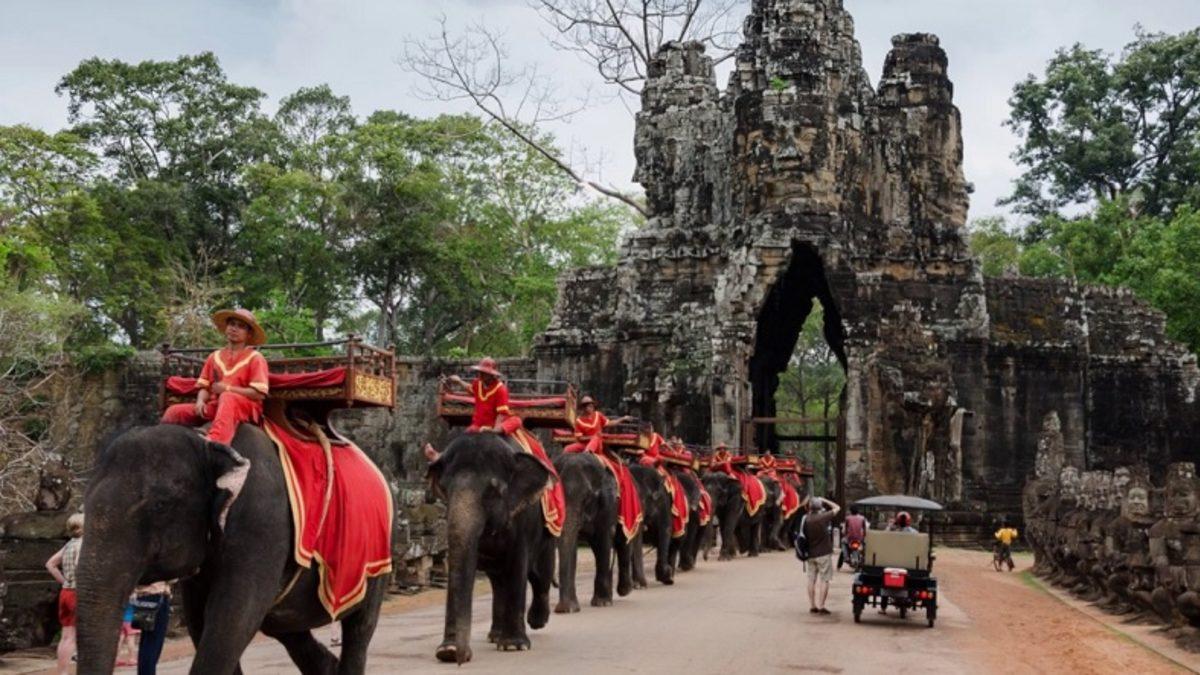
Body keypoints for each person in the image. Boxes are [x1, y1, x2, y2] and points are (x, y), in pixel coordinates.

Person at [160, 309, 266, 514]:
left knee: (228, 398)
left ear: (249, 334)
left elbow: (258, 393)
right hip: (216, 405)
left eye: (240, 326)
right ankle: (163, 448)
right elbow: (204, 386)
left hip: (244, 405)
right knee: (175, 411)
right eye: (232, 324)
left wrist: (228, 389)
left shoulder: (255, 358)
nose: (234, 329)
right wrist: (200, 400)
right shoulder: (214, 357)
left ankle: (213, 449)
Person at [45, 513, 84, 675]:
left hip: (66, 592)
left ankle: (62, 672)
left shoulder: (68, 545)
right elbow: (79, 565)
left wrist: (64, 581)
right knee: (75, 636)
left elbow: (50, 564)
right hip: (78, 593)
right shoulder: (83, 544)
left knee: (66, 636)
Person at [440, 357, 515, 434]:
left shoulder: (501, 389)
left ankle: (497, 430)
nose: (481, 374)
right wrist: (459, 381)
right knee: (467, 433)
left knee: (516, 420)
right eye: (480, 372)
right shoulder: (477, 383)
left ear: (492, 375)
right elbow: (470, 389)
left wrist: (495, 430)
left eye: (484, 373)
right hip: (478, 424)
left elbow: (502, 413)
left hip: (492, 425)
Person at [802, 497, 841, 615]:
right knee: (824, 580)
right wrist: (825, 499)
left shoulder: (806, 519)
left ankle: (812, 605)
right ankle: (821, 606)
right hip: (824, 553)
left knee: (811, 580)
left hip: (810, 554)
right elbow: (837, 507)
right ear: (820, 507)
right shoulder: (823, 517)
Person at [562, 395, 632, 453]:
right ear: (584, 408)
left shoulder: (598, 415)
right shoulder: (579, 421)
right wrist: (591, 437)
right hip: (584, 444)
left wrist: (622, 419)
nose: (592, 407)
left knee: (597, 436)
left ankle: (587, 453)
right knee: (567, 448)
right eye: (589, 406)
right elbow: (580, 438)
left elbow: (610, 423)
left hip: (597, 444)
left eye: (592, 405)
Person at [132, 581, 172, 674]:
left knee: (145, 641)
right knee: (154, 643)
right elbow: (172, 577)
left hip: (142, 598)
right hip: (158, 596)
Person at [838, 505, 869, 570]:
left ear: (850, 511)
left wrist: (844, 533)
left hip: (849, 538)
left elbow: (845, 530)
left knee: (843, 542)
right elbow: (865, 529)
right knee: (864, 547)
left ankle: (846, 557)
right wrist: (863, 536)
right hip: (859, 539)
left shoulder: (848, 518)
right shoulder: (862, 518)